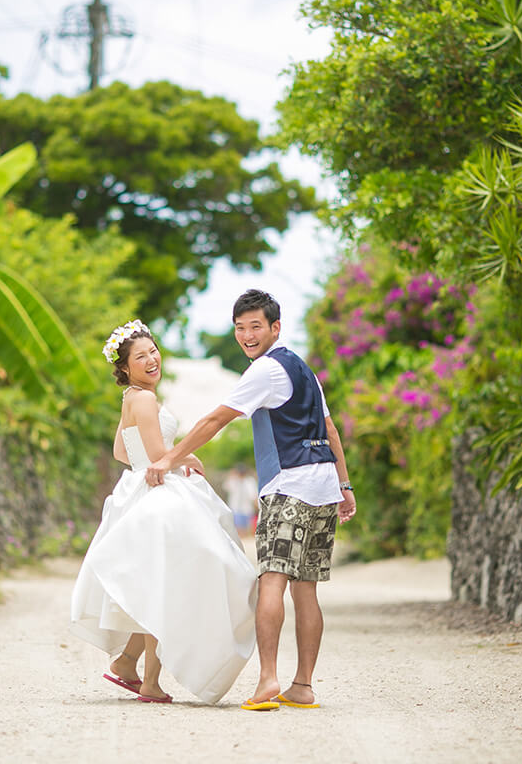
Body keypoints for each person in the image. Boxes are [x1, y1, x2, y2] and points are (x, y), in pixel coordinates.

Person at [146, 289, 357, 712]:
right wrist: (344, 486)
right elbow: (330, 430)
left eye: (255, 326)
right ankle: (302, 686)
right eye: (240, 328)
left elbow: (216, 419)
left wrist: (169, 457)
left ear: (275, 327)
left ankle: (267, 681)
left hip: (289, 487)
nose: (247, 335)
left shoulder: (266, 370)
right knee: (307, 590)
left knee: (272, 580)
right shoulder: (304, 369)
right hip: (321, 487)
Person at [69, 319, 258, 705]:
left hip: (141, 488)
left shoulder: (131, 398)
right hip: (158, 494)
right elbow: (157, 455)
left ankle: (126, 662)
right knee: (168, 583)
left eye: (153, 351)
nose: (152, 359)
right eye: (141, 356)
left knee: (154, 582)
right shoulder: (145, 399)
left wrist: (158, 461)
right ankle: (151, 682)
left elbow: (123, 453)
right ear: (124, 368)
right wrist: (188, 456)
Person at [223, 465, 257, 536]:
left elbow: (253, 495)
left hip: (246, 509)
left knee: (247, 529)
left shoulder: (249, 481)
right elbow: (226, 487)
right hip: (235, 508)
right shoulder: (233, 480)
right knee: (237, 529)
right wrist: (231, 475)